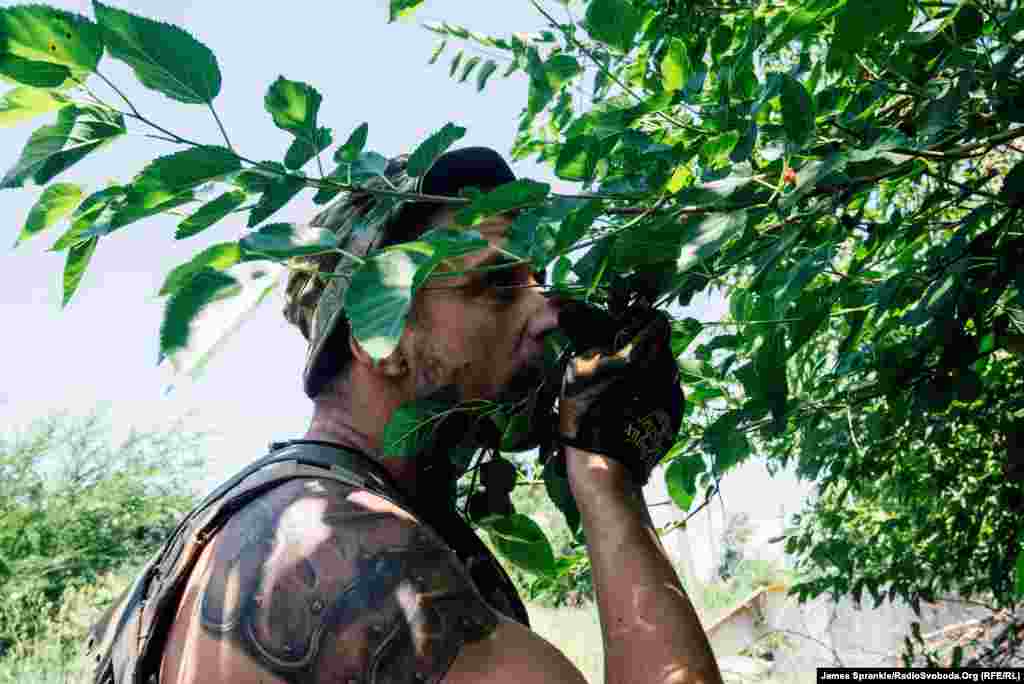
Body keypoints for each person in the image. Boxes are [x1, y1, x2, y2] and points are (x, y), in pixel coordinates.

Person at [87, 147, 722, 684]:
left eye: (538, 282)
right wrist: (606, 480)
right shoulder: (341, 543)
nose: (549, 312)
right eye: (498, 288)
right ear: (381, 337)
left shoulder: (279, 510)